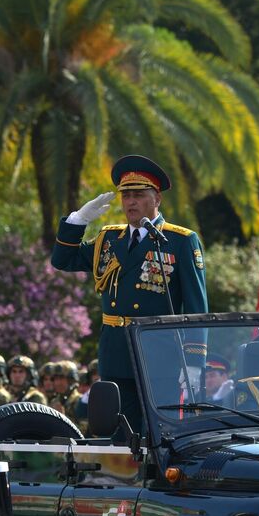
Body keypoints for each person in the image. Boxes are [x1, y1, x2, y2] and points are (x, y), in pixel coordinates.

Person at [51, 155, 208, 433]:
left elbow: (196, 306)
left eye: (138, 195)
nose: (130, 202)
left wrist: (194, 360)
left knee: (158, 433)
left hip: (159, 352)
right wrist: (78, 220)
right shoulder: (109, 239)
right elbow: (63, 260)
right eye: (126, 196)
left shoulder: (180, 241)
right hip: (116, 351)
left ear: (156, 198)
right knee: (120, 432)